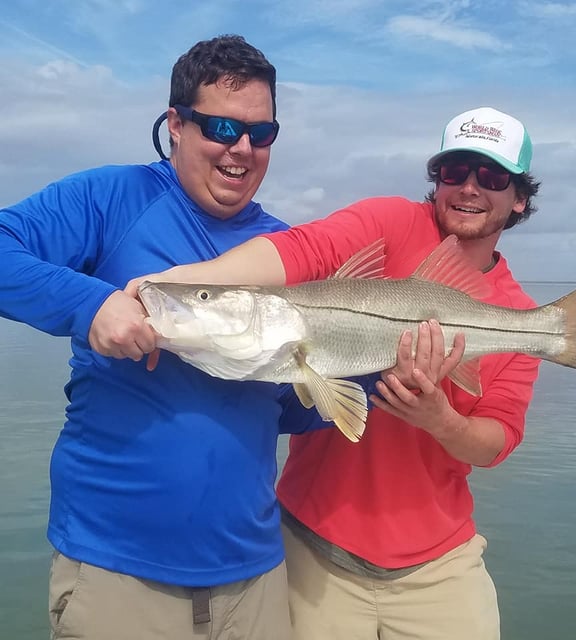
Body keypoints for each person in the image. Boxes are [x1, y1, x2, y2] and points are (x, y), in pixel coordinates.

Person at [128, 106, 542, 639]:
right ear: (436, 180)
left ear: (520, 198)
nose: (468, 187)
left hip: (439, 566)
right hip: (312, 548)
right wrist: (172, 284)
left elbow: (496, 442)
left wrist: (441, 419)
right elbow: (303, 249)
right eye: (454, 171)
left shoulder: (519, 319)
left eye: (492, 177)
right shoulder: (389, 221)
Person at [0, 34, 347, 640]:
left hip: (254, 578)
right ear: (176, 125)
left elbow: (288, 410)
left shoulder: (286, 249)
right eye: (219, 127)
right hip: (117, 575)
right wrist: (92, 303)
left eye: (260, 134)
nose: (241, 149)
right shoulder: (113, 198)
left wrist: (371, 378)